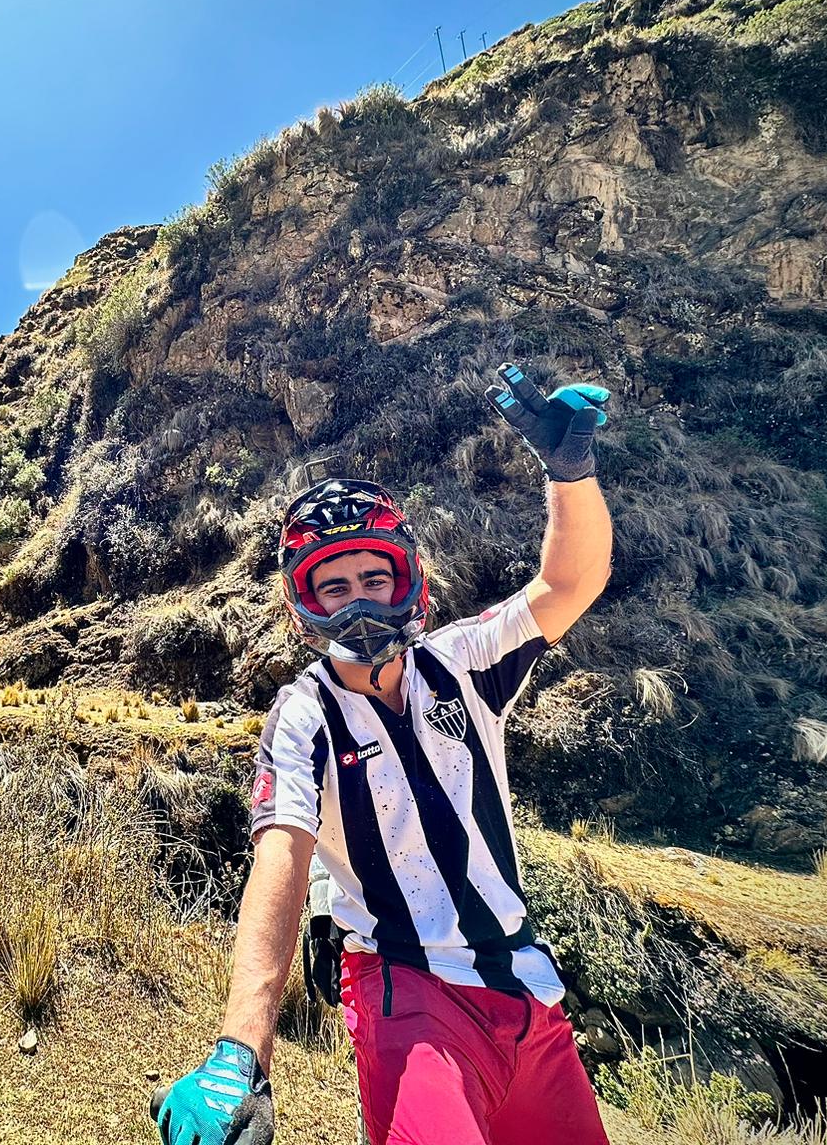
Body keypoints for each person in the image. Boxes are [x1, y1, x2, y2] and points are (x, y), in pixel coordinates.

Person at [154, 363, 614, 1145]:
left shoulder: (464, 661)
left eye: (375, 575)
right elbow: (281, 864)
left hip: (530, 990)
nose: (359, 598)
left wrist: (570, 473)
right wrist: (241, 1049)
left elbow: (571, 581)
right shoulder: (302, 715)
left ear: (412, 583)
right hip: (408, 990)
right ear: (305, 610)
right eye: (333, 587)